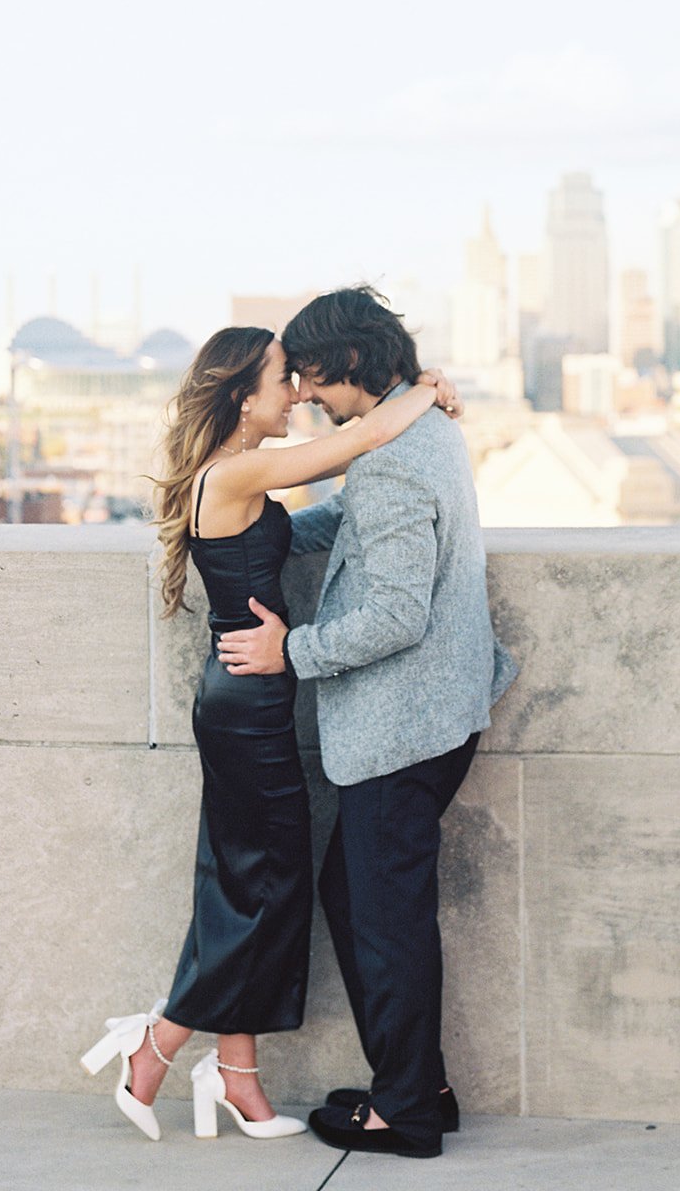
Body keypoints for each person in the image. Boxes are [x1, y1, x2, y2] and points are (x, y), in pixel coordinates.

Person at [79, 324, 460, 1144]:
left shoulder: (238, 478)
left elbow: (306, 524)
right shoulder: (239, 467)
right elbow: (361, 439)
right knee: (266, 890)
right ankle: (160, 1042)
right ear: (243, 399)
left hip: (247, 701)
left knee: (252, 884)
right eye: (282, 381)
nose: (296, 393)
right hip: (247, 706)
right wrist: (426, 391)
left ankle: (239, 1076)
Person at [217, 287, 518, 1160]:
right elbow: (354, 525)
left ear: (348, 364)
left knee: (383, 920)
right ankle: (416, 1083)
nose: (305, 392)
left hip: (402, 726)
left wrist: (291, 653)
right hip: (441, 710)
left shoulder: (389, 454)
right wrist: (263, 531)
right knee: (360, 901)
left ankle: (406, 1114)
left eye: (310, 374)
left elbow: (394, 614)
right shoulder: (421, 427)